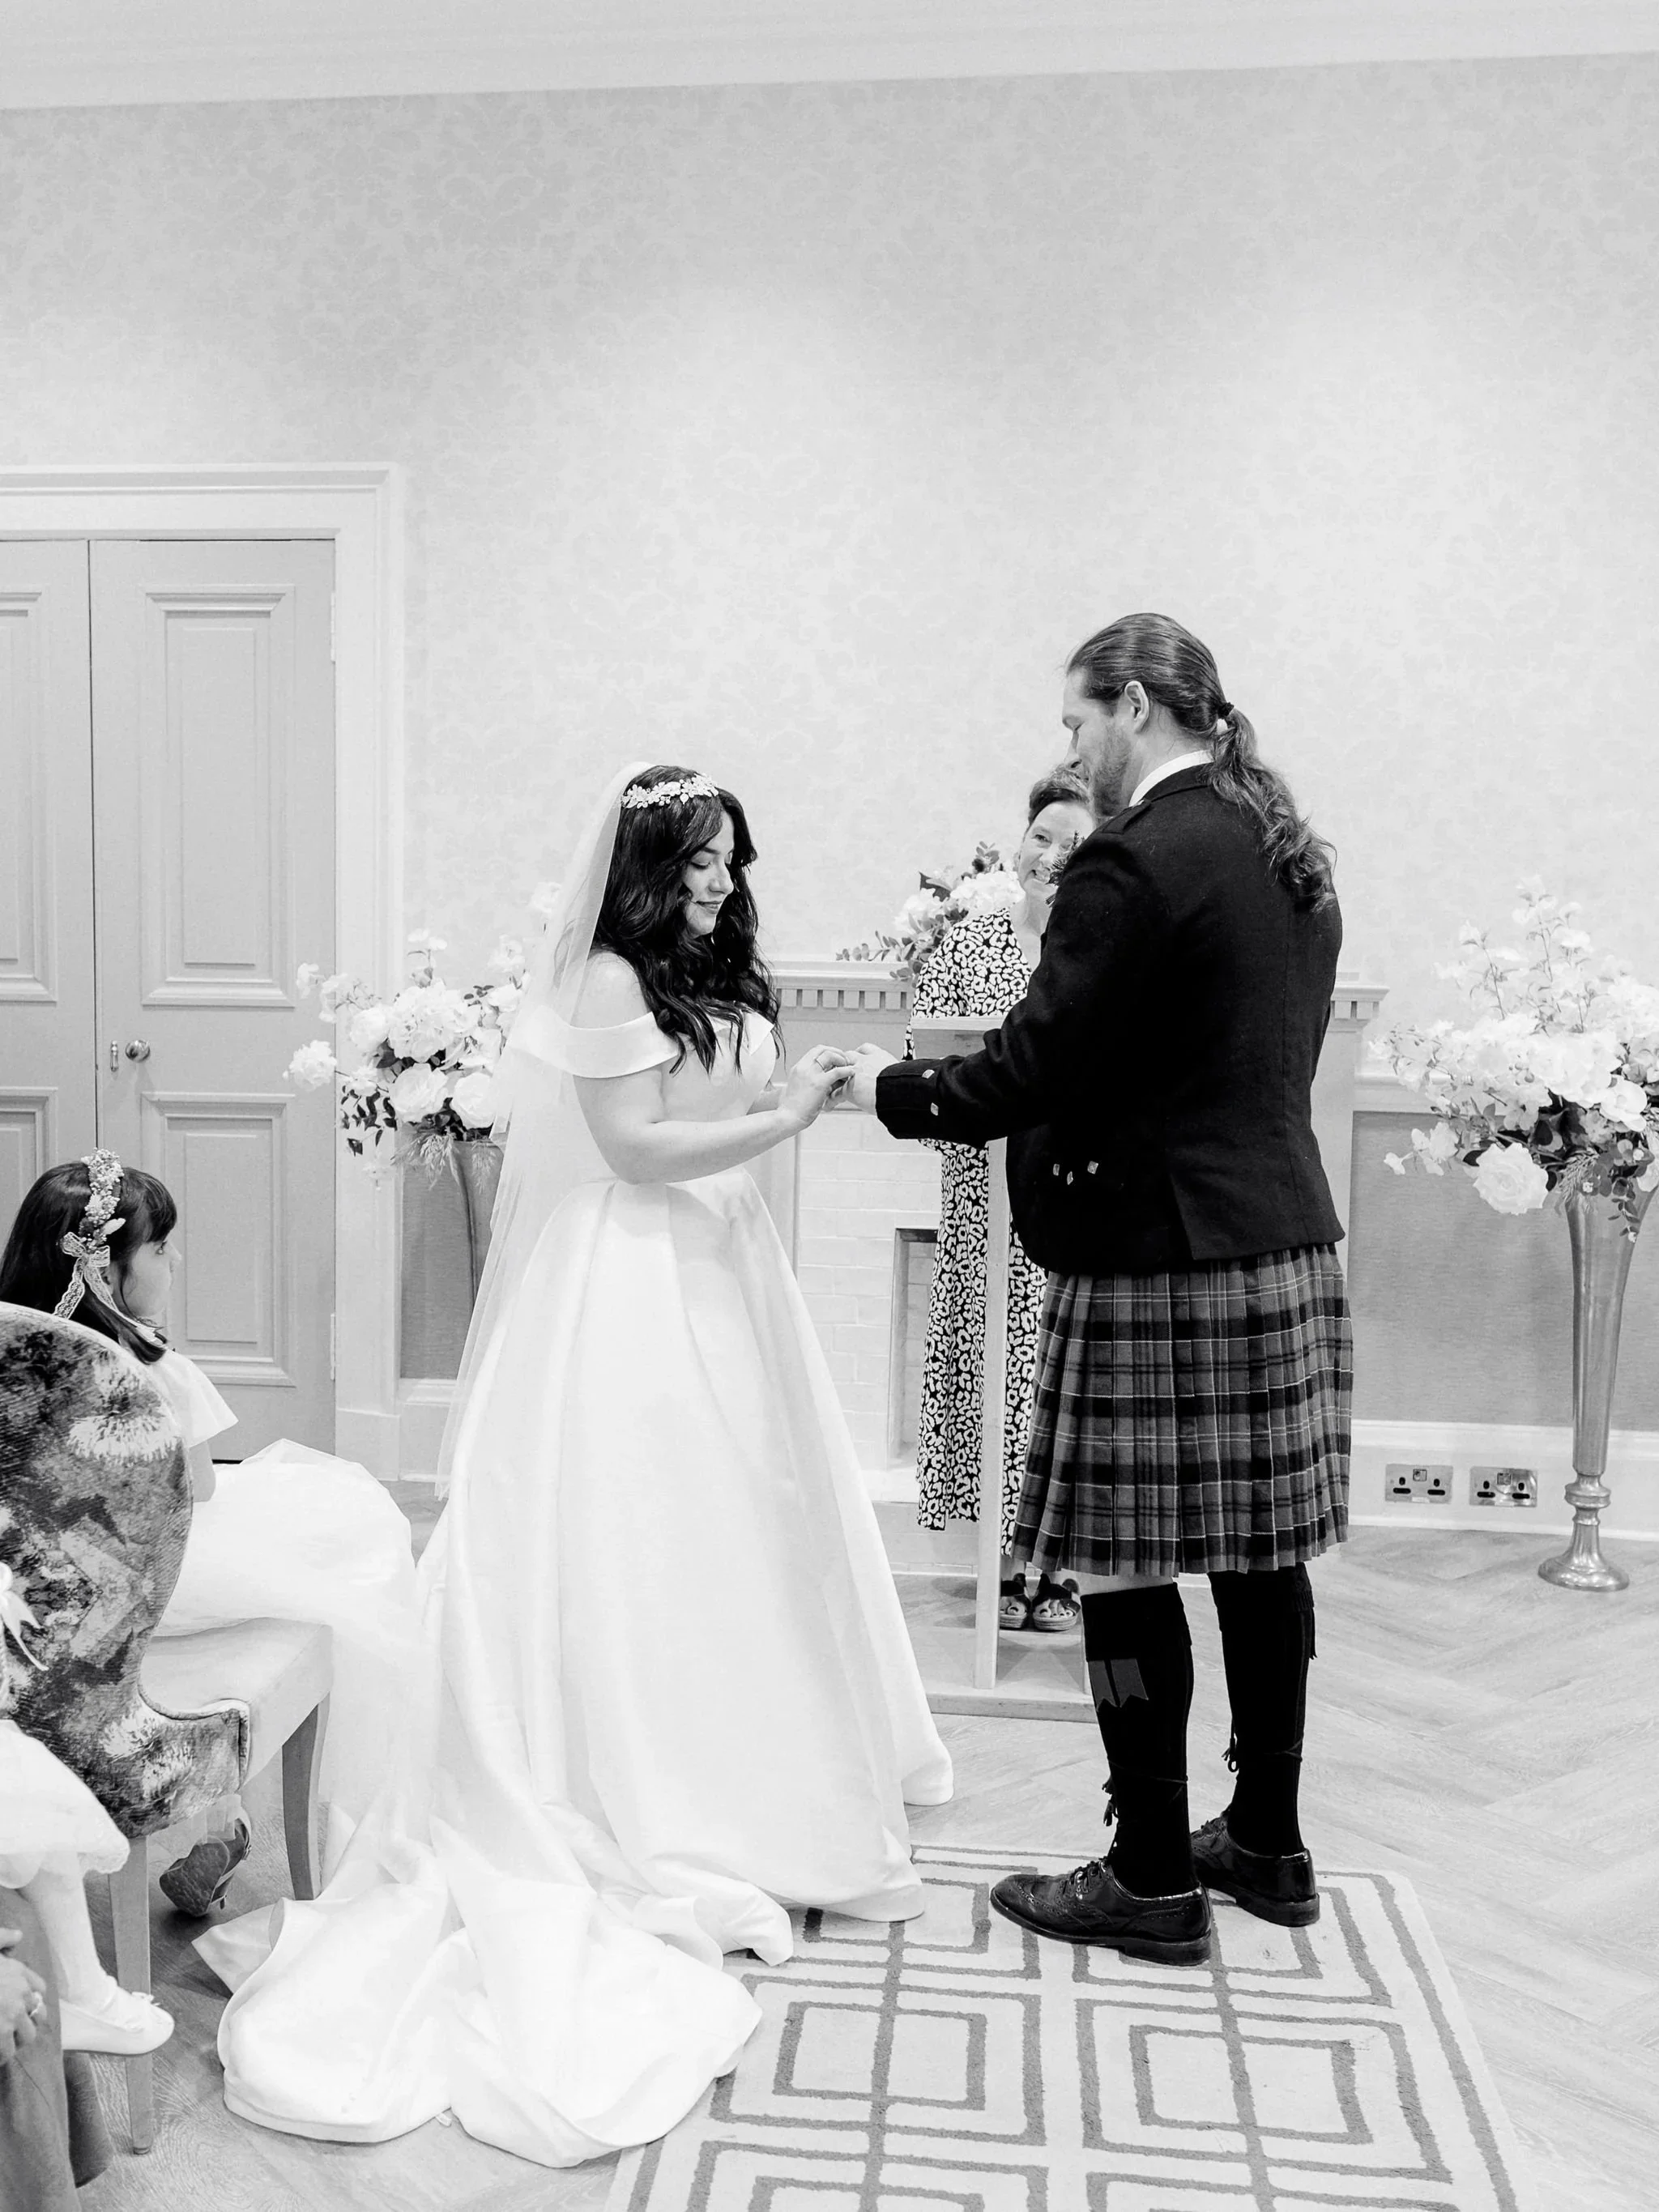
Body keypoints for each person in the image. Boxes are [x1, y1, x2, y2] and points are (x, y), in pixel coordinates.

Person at [192, 761, 952, 2168]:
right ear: (650, 865)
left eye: (734, 856)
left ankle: (759, 1779)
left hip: (725, 1274)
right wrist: (789, 1117)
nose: (726, 879)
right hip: (626, 1283)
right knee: (632, 1531)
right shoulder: (606, 979)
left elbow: (713, 1118)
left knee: (747, 1536)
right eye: (704, 859)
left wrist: (801, 1095)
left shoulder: (717, 971)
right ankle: (636, 1786)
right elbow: (635, 1149)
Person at [851, 613, 1350, 1965]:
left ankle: (1144, 1869)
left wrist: (888, 1089)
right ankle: (1264, 1839)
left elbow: (1031, 1067)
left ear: (1133, 706)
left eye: (1077, 724)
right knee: (1259, 1562)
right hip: (1281, 1240)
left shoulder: (1135, 856)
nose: (1069, 749)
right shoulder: (1283, 848)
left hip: (1153, 1261)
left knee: (1122, 1573)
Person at [0, 1158, 422, 1912]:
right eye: (160, 1249)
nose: (175, 1261)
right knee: (350, 1537)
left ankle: (217, 1821)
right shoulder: (154, 1371)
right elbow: (198, 1489)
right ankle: (228, 1819)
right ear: (105, 1272)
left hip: (29, 1583)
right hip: (151, 1580)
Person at [906, 765, 1094, 1630]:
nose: (1049, 856)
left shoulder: (1098, 944)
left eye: (1073, 844)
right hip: (982, 1194)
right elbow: (924, 1054)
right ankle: (1000, 1560)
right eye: (1041, 836)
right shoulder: (970, 938)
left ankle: (1052, 1565)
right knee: (989, 1372)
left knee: (1054, 1381)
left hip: (1062, 1199)